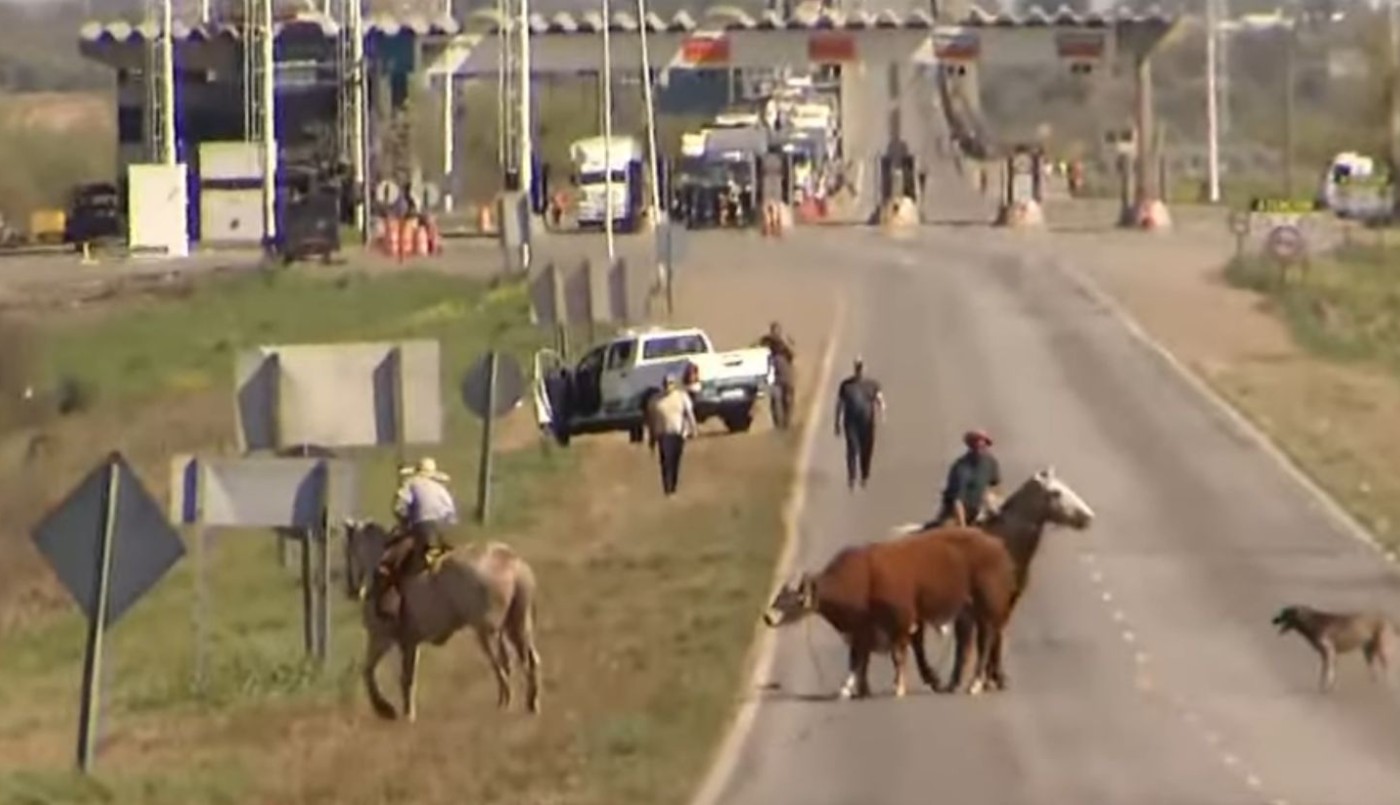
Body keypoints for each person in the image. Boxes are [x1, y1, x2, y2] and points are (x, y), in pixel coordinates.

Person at [371, 456, 459, 620]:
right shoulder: (441, 489)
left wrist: (406, 521)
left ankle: (390, 605)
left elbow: (398, 507)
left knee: (390, 562)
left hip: (423, 529)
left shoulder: (411, 483)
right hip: (446, 531)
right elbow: (452, 515)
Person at [833, 356, 886, 490]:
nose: (859, 370)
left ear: (864, 368)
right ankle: (851, 477)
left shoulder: (872, 384)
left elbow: (880, 399)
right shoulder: (846, 385)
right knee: (852, 449)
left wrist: (882, 412)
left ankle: (864, 475)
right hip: (851, 423)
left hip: (867, 423)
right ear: (854, 369)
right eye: (857, 367)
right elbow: (839, 404)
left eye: (861, 367)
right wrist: (837, 422)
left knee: (866, 450)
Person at [936, 429, 1003, 527]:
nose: (980, 446)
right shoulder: (960, 467)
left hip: (977, 511)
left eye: (984, 443)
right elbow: (957, 501)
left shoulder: (990, 462)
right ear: (970, 446)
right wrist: (962, 526)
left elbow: (993, 487)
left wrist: (992, 504)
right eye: (976, 443)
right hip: (955, 514)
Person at [647, 374, 698, 496]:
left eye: (670, 383)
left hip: (678, 433)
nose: (667, 386)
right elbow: (651, 421)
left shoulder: (681, 397)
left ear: (674, 384)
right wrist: (652, 439)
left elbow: (689, 414)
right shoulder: (655, 400)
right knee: (665, 461)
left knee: (675, 460)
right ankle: (667, 487)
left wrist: (693, 428)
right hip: (663, 434)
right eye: (665, 383)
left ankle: (673, 486)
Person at [757, 321, 797, 431]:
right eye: (774, 331)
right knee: (775, 401)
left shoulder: (785, 343)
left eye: (777, 331)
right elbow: (758, 349)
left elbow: (793, 355)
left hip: (786, 375)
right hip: (774, 376)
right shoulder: (766, 342)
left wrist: (785, 344)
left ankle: (786, 423)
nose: (775, 333)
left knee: (787, 400)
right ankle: (778, 424)